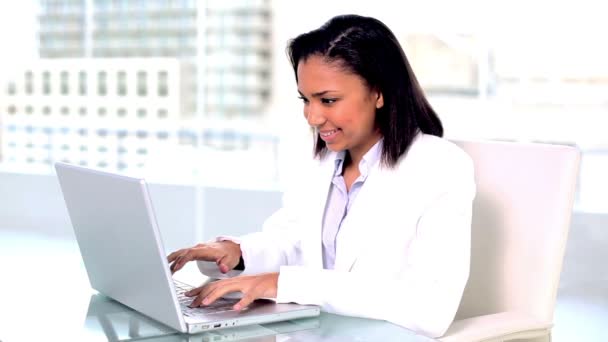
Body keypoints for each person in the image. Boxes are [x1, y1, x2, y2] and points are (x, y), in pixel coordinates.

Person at [167, 14, 475, 338]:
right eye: (306, 99)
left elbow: (429, 307)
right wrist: (239, 254)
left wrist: (283, 283)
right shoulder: (324, 163)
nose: (313, 117)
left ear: (379, 93)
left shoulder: (440, 166)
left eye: (328, 100)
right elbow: (294, 243)